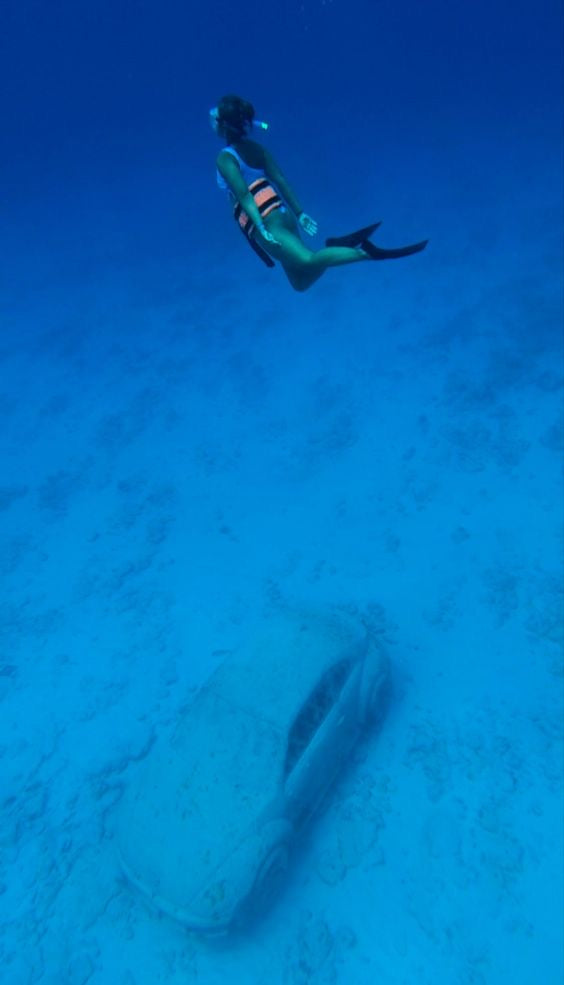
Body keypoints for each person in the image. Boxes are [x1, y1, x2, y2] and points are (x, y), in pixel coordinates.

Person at [211, 94, 428, 293]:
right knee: (299, 283)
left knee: (308, 260)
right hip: (283, 215)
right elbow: (280, 181)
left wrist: (260, 226)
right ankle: (335, 248)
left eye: (217, 118)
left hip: (267, 224)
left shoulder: (225, 158)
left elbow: (244, 195)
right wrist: (299, 213)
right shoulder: (257, 148)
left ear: (225, 126)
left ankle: (366, 253)